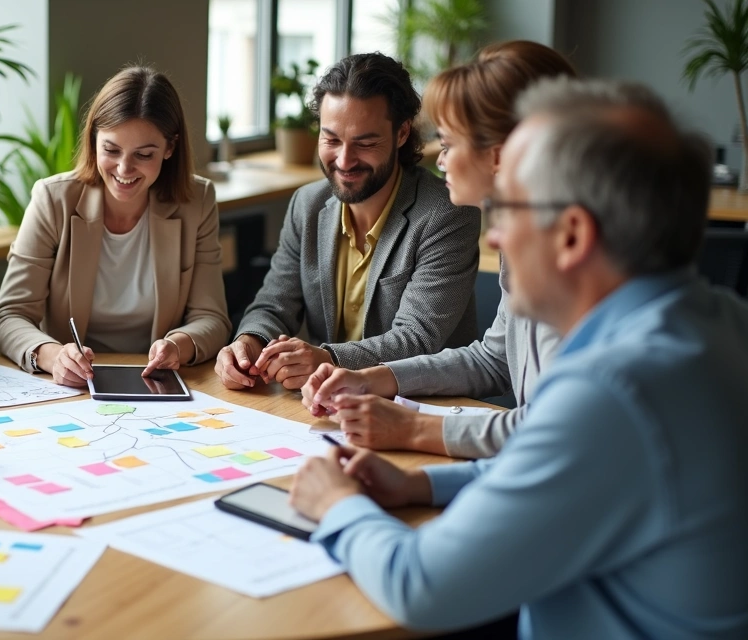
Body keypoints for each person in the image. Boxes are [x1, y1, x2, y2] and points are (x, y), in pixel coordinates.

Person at [291, 78, 748, 638]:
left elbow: (421, 587)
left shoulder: (612, 389)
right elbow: (557, 461)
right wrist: (423, 486)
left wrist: (336, 504)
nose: (497, 238)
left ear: (572, 236)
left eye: (509, 210)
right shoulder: (719, 319)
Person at [302, 41, 576, 459]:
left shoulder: (572, 261)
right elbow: (494, 360)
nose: (441, 161)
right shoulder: (524, 238)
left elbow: (551, 430)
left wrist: (412, 428)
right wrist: (374, 379)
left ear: (499, 155)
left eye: (447, 144)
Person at [216, 52, 480, 392]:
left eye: (365, 143)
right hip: (331, 405)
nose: (344, 160)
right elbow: (274, 303)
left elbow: (417, 339)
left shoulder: (447, 214)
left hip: (424, 404)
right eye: (331, 139)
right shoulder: (306, 205)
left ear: (402, 134)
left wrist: (328, 359)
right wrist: (249, 341)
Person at [0, 66, 230, 387]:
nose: (124, 168)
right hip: (71, 386)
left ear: (170, 148)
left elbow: (211, 317)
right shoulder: (53, 199)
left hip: (155, 381)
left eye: (144, 154)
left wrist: (178, 345)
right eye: (111, 150)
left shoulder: (197, 200)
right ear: (94, 140)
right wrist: (51, 355)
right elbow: (10, 315)